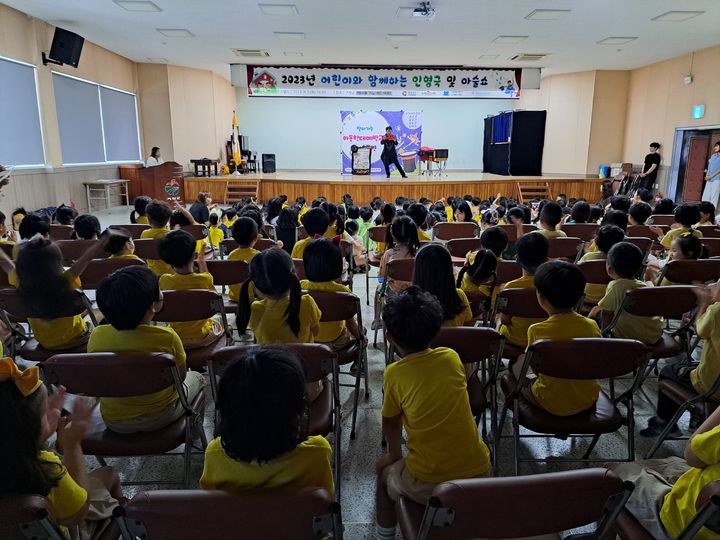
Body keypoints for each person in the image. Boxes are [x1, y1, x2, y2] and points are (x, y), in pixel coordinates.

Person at [375, 287, 491, 540]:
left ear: (389, 337)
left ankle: (383, 533)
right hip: (481, 470)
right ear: (435, 329)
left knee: (384, 474)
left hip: (429, 479)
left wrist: (394, 456)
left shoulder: (395, 373)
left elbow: (391, 422)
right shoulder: (451, 357)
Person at [0, 358, 122, 539]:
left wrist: (39, 433)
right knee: (110, 474)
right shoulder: (44, 467)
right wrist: (72, 445)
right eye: (43, 414)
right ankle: (126, 521)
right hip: (65, 530)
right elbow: (78, 514)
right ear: (27, 430)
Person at [199, 346, 333, 494]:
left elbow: (211, 504)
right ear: (297, 412)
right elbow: (325, 504)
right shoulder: (317, 452)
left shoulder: (215, 454)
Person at [90, 266, 204, 433]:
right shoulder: (167, 337)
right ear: (153, 305)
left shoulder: (96, 335)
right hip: (161, 416)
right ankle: (194, 434)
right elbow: (180, 377)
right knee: (198, 377)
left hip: (114, 420)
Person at [610, 404, 720, 539]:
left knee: (610, 477)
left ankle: (663, 421)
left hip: (685, 526)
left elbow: (691, 455)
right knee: (672, 464)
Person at [513, 261, 603, 416]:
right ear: (580, 296)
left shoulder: (537, 330)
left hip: (548, 400)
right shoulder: (591, 326)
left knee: (517, 366)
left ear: (540, 297)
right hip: (587, 399)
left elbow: (534, 368)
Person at [236, 249, 322, 401]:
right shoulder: (307, 303)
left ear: (255, 283)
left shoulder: (255, 309)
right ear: (292, 275)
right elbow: (316, 332)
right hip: (305, 382)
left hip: (269, 386)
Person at [0, 236, 107, 350]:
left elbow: (5, 262)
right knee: (98, 309)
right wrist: (102, 242)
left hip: (44, 342)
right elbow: (87, 257)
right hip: (76, 338)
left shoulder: (19, 281)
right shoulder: (66, 279)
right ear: (56, 261)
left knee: (80, 310)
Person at [158, 229, 222, 347]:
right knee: (219, 321)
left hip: (176, 337)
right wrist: (202, 262)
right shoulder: (205, 279)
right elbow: (215, 301)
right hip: (202, 335)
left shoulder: (164, 280)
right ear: (195, 256)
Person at [589, 242, 663, 345]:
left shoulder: (615, 286)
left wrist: (604, 333)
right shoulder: (644, 286)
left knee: (595, 310)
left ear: (609, 269)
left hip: (629, 338)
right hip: (654, 335)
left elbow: (607, 314)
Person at [301, 238, 360, 349]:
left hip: (310, 342)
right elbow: (351, 325)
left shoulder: (300, 287)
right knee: (361, 331)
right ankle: (358, 364)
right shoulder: (344, 292)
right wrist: (361, 337)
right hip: (337, 341)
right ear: (337, 266)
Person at [497, 233, 549, 350]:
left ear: (517, 258)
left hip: (515, 339)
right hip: (544, 338)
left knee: (498, 321)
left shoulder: (510, 288)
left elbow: (505, 321)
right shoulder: (553, 283)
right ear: (546, 258)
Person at [413, 243, 472, 327]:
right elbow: (467, 329)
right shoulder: (459, 296)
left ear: (418, 271)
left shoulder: (409, 302)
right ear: (449, 270)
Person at [578, 225, 626, 305]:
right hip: (609, 300)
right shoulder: (622, 260)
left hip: (586, 298)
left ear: (596, 241)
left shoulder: (588, 256)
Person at [379, 216, 420, 294]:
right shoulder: (419, 254)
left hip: (394, 293)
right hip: (415, 293)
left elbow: (382, 275)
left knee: (379, 287)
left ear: (392, 234)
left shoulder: (389, 254)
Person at [227, 217, 260, 303]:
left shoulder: (231, 255)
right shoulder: (258, 256)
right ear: (256, 238)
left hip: (234, 297)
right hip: (254, 299)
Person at [140, 200, 174, 276]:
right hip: (170, 273)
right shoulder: (172, 235)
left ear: (148, 220)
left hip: (152, 274)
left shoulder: (145, 234)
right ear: (168, 219)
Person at [701, 141, 720, 207]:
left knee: (713, 199)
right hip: (709, 179)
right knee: (705, 198)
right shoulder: (713, 156)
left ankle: (711, 215)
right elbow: (709, 167)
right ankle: (703, 213)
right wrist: (707, 176)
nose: (715, 147)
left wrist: (711, 176)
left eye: (717, 145)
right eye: (715, 146)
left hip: (717, 179)